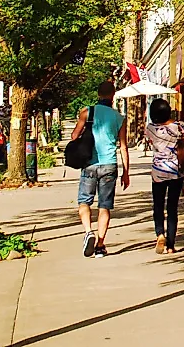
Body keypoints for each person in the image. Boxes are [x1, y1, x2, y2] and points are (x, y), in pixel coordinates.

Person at [71, 81, 129, 258]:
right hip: (109, 165)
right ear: (113, 95)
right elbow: (123, 147)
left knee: (84, 202)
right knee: (105, 206)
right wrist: (126, 172)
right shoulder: (119, 118)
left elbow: (74, 136)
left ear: (98, 94)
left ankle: (88, 231)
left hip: (89, 164)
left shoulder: (87, 112)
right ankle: (100, 245)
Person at [144, 98, 184, 254]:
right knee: (172, 208)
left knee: (158, 205)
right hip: (176, 171)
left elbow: (150, 142)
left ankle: (160, 234)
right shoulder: (180, 126)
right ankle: (170, 245)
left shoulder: (150, 128)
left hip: (158, 171)